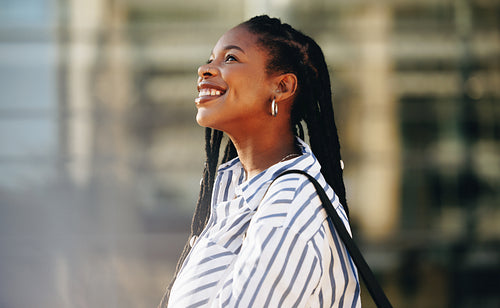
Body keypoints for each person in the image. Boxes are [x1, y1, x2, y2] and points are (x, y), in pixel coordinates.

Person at [160, 15, 360, 308]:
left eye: (230, 58)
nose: (205, 69)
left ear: (281, 87)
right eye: (210, 59)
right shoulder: (239, 189)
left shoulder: (287, 210)